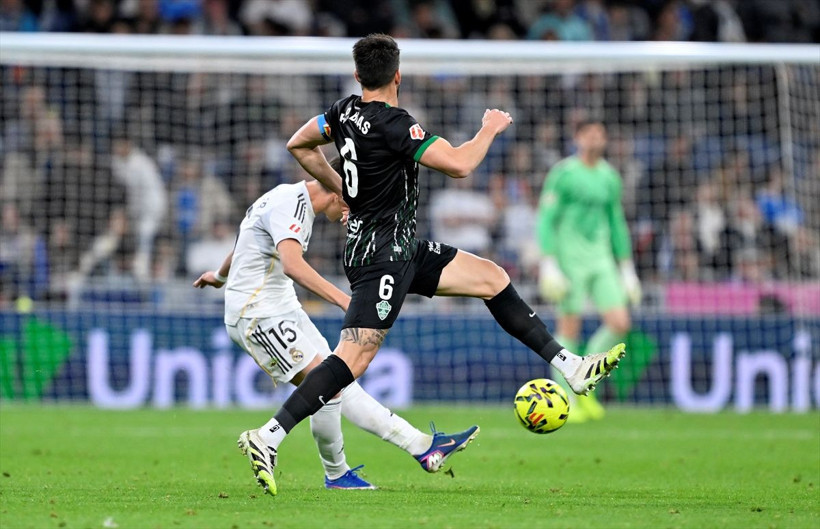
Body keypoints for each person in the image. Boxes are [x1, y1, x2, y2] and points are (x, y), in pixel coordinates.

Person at [246, 33, 626, 495]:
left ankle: (571, 365)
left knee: (491, 278)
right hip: (382, 256)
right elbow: (460, 165)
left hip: (399, 247)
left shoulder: (341, 112)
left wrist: (342, 188)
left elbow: (299, 144)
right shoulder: (396, 124)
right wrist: (489, 128)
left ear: (358, 75)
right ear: (398, 75)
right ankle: (268, 436)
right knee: (352, 358)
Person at [193, 158, 476, 495]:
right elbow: (293, 266)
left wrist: (219, 276)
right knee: (328, 387)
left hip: (281, 307)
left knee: (336, 380)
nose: (350, 213)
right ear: (337, 190)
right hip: (258, 314)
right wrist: (344, 300)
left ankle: (420, 446)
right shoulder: (291, 206)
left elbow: (244, 242)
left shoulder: (283, 196)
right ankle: (283, 447)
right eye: (350, 202)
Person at [537, 120, 641, 422]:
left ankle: (586, 379)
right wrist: (548, 262)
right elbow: (546, 218)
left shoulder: (610, 176)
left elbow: (616, 221)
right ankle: (565, 398)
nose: (595, 139)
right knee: (569, 328)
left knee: (620, 323)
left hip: (602, 259)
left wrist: (627, 268)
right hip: (569, 260)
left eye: (599, 134)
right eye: (589, 134)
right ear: (577, 138)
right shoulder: (564, 174)